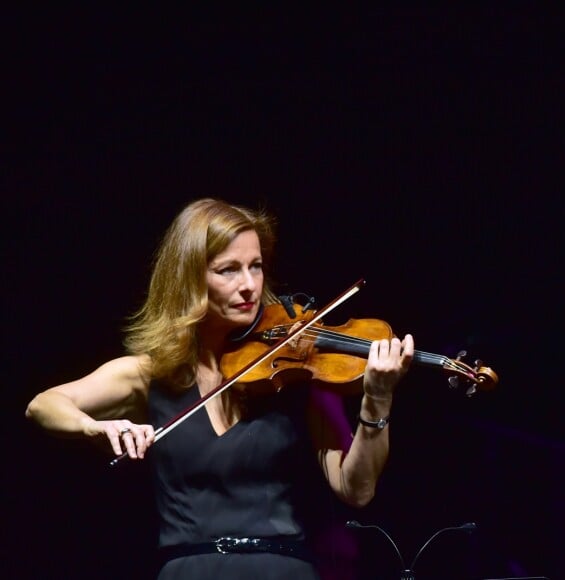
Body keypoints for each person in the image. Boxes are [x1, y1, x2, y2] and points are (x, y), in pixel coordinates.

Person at [25, 198, 414, 580]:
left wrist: (378, 398)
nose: (249, 286)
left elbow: (356, 489)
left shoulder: (296, 372)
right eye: (228, 270)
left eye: (256, 267)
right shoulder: (149, 374)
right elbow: (45, 404)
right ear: (189, 279)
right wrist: (98, 426)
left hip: (281, 569)